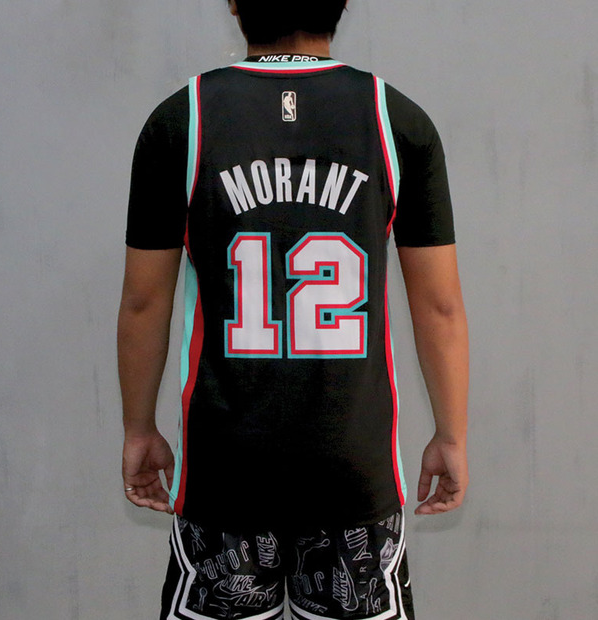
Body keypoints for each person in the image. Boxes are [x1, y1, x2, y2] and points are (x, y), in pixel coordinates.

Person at [117, 1, 469, 618]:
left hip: (226, 474)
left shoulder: (183, 119)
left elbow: (145, 303)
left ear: (235, 3)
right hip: (353, 473)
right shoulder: (395, 120)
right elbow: (439, 308)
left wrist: (139, 429)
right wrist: (451, 433)